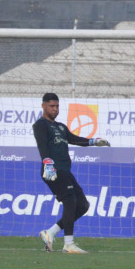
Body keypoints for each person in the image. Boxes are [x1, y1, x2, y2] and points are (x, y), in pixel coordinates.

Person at [33, 92, 111, 254]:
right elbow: (42, 145)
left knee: (83, 205)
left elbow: (74, 139)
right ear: (43, 106)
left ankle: (51, 232)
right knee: (70, 201)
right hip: (52, 170)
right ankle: (69, 244)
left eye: (57, 106)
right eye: (51, 106)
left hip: (65, 171)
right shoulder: (40, 125)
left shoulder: (61, 127)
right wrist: (47, 162)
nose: (55, 109)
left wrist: (94, 142)